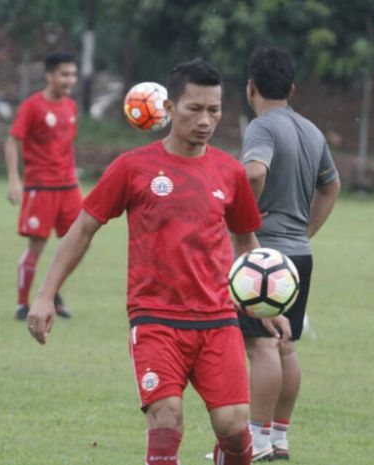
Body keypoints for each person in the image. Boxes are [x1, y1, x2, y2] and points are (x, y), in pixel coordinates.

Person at [26, 58, 291, 465]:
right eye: (194, 109)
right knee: (166, 419)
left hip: (217, 318)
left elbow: (245, 240)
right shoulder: (133, 168)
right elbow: (82, 229)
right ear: (168, 109)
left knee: (234, 426)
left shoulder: (229, 172)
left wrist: (263, 303)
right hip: (155, 319)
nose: (206, 120)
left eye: (214, 110)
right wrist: (45, 295)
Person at [238, 47, 340, 461]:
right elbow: (331, 187)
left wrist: (245, 220)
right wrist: (306, 231)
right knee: (287, 346)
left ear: (250, 88)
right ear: (292, 88)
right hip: (298, 253)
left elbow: (254, 171)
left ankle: (256, 441)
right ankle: (279, 437)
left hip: (264, 252)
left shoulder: (261, 127)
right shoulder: (312, 130)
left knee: (261, 346)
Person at [5, 52, 82, 320]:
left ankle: (52, 293)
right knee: (37, 247)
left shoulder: (71, 107)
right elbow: (13, 140)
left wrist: (74, 175)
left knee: (77, 243)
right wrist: (14, 179)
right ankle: (22, 304)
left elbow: (66, 146)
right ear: (49, 75)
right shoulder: (33, 106)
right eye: (64, 74)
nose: (69, 79)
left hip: (68, 187)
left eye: (73, 74)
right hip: (41, 187)